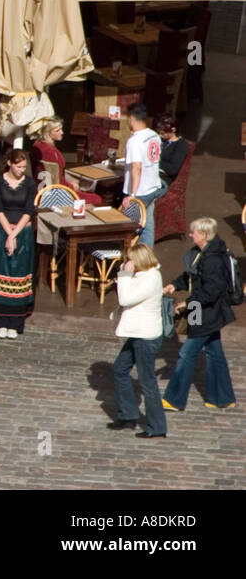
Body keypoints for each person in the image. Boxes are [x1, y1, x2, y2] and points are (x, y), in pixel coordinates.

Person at [162, 217, 237, 412]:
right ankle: (222, 397)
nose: (190, 234)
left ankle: (174, 399)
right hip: (199, 310)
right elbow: (191, 276)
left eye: (193, 232)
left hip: (207, 312)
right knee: (214, 352)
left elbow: (211, 291)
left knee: (187, 354)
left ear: (203, 235)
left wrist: (187, 303)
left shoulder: (212, 260)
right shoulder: (201, 254)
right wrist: (175, 285)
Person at [108, 243, 167, 438]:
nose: (127, 263)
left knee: (147, 381)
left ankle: (157, 427)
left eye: (130, 259)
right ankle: (128, 415)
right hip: (138, 333)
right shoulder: (144, 275)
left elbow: (125, 299)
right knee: (119, 369)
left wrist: (124, 276)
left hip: (145, 337)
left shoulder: (150, 279)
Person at [0, 148, 36, 339]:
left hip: (22, 232)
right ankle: (1, 323)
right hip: (3, 230)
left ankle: (16, 323)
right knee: (3, 273)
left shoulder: (30, 183)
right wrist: (8, 233)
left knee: (19, 275)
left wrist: (14, 234)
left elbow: (29, 210)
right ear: (9, 163)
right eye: (18, 166)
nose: (22, 170)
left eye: (24, 166)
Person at [30, 115, 101, 204]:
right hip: (55, 195)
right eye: (57, 130)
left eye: (61, 129)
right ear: (48, 133)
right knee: (97, 198)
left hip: (40, 189)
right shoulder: (50, 153)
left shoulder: (37, 145)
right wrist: (71, 186)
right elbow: (56, 181)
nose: (62, 132)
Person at [120, 103, 163, 246]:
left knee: (129, 228)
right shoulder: (154, 135)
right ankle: (147, 257)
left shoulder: (134, 141)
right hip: (153, 186)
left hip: (140, 190)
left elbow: (136, 167)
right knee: (148, 224)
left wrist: (132, 195)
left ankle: (134, 258)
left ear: (131, 119)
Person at [155, 114, 189, 190]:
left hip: (164, 179)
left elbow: (173, 168)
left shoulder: (181, 145)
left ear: (173, 130)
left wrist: (156, 161)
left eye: (163, 133)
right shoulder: (162, 141)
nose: (160, 135)